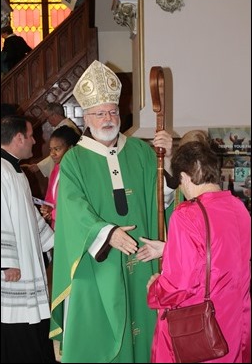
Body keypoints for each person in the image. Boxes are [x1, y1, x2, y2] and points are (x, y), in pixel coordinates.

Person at [49, 60, 175, 363]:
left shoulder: (143, 152)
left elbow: (163, 201)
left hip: (142, 259)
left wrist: (167, 161)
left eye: (113, 111)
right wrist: (106, 233)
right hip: (96, 267)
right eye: (99, 113)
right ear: (86, 117)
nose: (108, 118)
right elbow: (73, 211)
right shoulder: (74, 161)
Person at [146, 141, 251, 363]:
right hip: (234, 319)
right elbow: (224, 257)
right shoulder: (239, 208)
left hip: (199, 327)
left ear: (184, 177)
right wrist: (169, 249)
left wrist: (155, 289)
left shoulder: (187, 215)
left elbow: (180, 284)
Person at [1, 115, 56, 363]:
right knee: (14, 325)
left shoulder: (15, 171)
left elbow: (28, 214)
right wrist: (6, 261)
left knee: (32, 325)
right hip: (13, 268)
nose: (36, 140)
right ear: (18, 138)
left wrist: (51, 241)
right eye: (31, 135)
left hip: (26, 262)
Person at [137, 129, 210, 262]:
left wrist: (167, 249)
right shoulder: (176, 182)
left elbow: (206, 254)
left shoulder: (211, 199)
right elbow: (160, 198)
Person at [23, 102, 82, 178]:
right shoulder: (65, 126)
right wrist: (38, 166)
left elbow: (61, 154)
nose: (48, 120)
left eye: (48, 117)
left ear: (54, 115)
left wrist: (38, 166)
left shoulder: (67, 129)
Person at [40, 126, 81, 229]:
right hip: (57, 224)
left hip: (72, 225)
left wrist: (53, 213)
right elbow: (50, 196)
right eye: (51, 149)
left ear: (70, 148)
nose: (52, 154)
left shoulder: (78, 171)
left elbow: (75, 205)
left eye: (57, 149)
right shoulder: (57, 168)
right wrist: (47, 208)